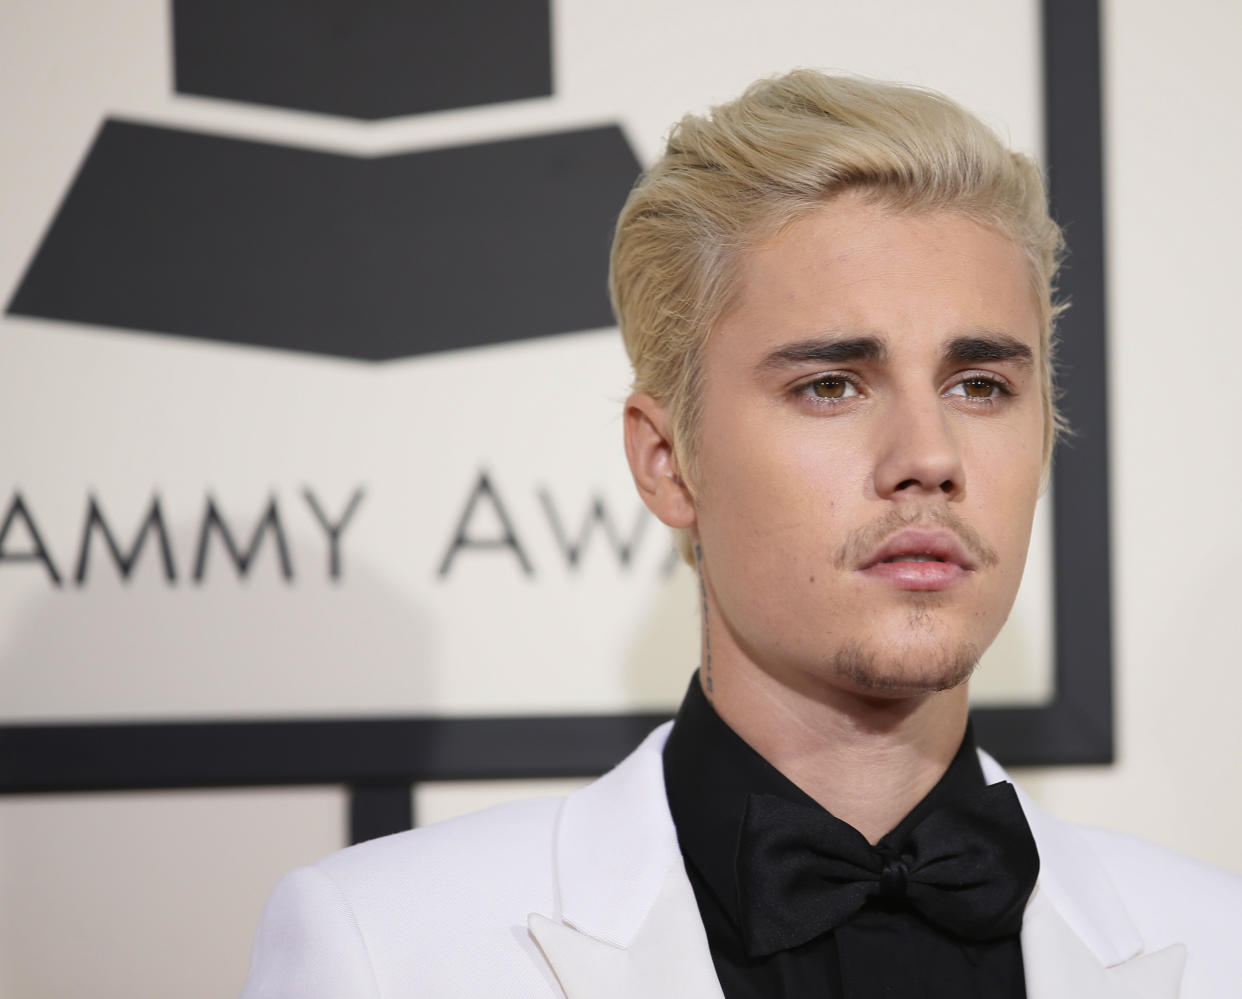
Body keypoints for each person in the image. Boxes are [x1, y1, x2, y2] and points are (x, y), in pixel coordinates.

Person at [240, 70, 1241, 998]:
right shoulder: (386, 950)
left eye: (979, 385)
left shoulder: (1217, 942)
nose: (927, 456)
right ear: (668, 461)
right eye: (831, 385)